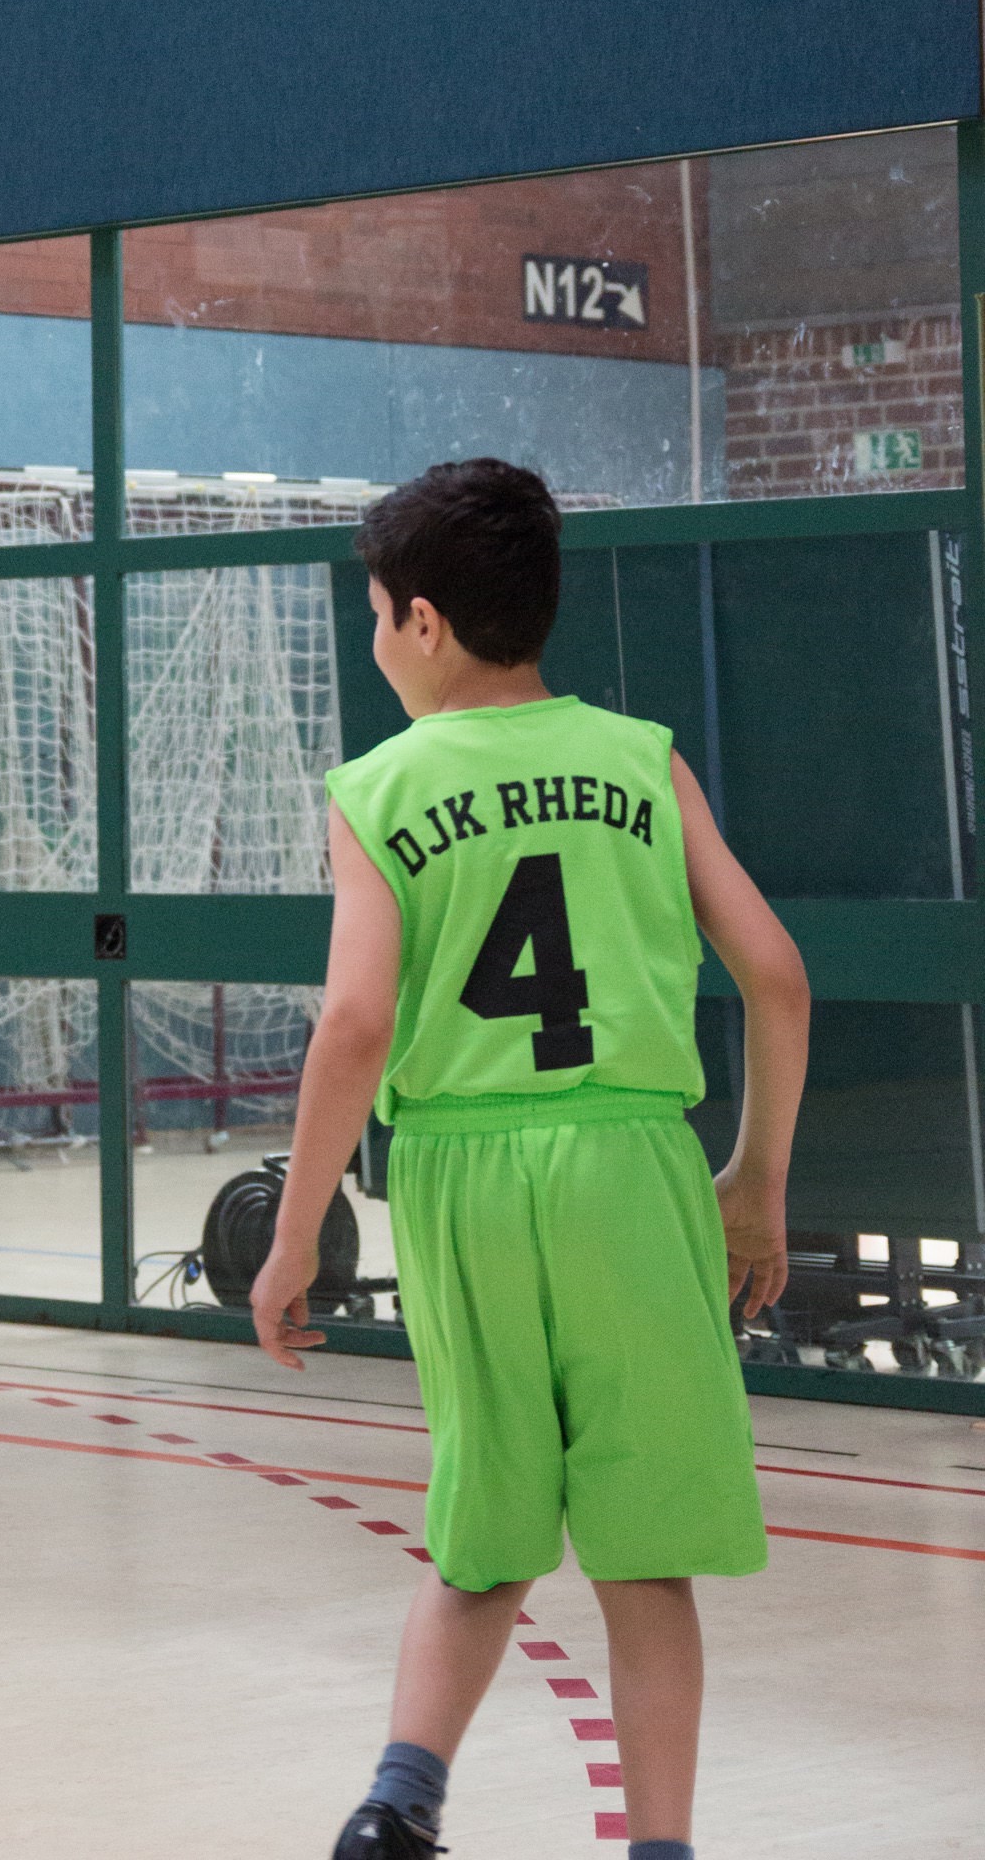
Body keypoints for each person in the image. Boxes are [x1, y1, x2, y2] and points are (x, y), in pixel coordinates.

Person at [251, 458, 809, 1860]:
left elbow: (355, 1024)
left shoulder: (376, 789)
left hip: (464, 1176)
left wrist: (297, 1231)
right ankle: (661, 1848)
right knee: (646, 1559)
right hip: (634, 1168)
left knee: (482, 1530)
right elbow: (779, 975)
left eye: (376, 615)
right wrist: (754, 1182)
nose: (376, 641)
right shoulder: (640, 758)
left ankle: (399, 1803)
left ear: (423, 621)